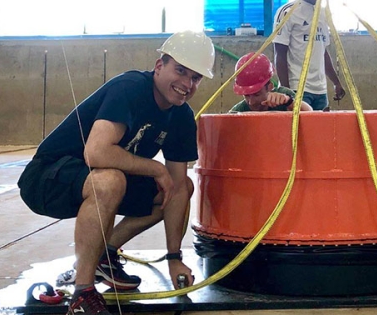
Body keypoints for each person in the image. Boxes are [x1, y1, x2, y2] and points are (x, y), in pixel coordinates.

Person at [17, 31, 214, 315]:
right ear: (159, 66)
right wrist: (154, 167)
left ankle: (103, 255)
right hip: (47, 178)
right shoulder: (132, 88)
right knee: (110, 180)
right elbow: (96, 153)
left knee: (176, 187)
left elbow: (179, 189)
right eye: (180, 70)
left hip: (96, 180)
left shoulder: (181, 116)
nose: (186, 84)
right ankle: (83, 294)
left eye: (195, 78)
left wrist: (174, 258)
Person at [273, 0, 346, 111]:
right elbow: (280, 53)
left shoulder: (323, 14)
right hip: (297, 88)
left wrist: (336, 82)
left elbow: (323, 52)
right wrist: (286, 91)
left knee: (320, 133)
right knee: (299, 133)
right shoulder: (288, 12)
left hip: (320, 91)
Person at [229, 52, 312, 113]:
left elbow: (310, 114)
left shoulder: (284, 96)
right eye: (246, 95)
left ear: (270, 86)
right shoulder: (239, 111)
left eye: (256, 94)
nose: (251, 102)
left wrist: (289, 102)